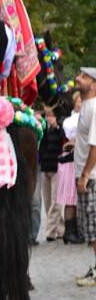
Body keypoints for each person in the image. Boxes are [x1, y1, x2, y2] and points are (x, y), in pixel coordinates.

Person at [73, 68, 96, 286]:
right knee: (90, 227)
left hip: (91, 177)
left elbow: (95, 146)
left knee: (94, 227)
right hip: (86, 175)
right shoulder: (87, 107)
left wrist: (85, 175)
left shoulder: (95, 107)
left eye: (84, 77)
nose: (78, 78)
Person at [57, 92, 83, 244]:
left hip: (78, 159)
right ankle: (70, 231)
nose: (81, 103)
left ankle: (75, 230)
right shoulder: (70, 120)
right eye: (78, 101)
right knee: (71, 198)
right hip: (70, 161)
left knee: (76, 198)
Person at [37, 106, 65, 241]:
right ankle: (60, 229)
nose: (49, 118)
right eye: (47, 116)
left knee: (56, 201)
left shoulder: (61, 129)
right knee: (48, 202)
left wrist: (57, 127)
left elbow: (63, 142)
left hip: (56, 168)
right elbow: (40, 146)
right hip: (45, 168)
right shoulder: (43, 130)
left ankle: (49, 231)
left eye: (51, 115)